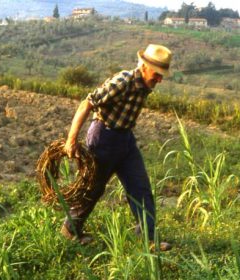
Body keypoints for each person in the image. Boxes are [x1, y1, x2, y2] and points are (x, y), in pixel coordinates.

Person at [61, 43, 172, 251]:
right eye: (157, 74)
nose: (159, 79)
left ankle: (147, 238)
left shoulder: (145, 85)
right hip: (103, 137)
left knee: (141, 187)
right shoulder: (123, 82)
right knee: (93, 187)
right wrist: (71, 139)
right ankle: (70, 229)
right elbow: (87, 103)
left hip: (125, 139)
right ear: (144, 66)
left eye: (161, 75)